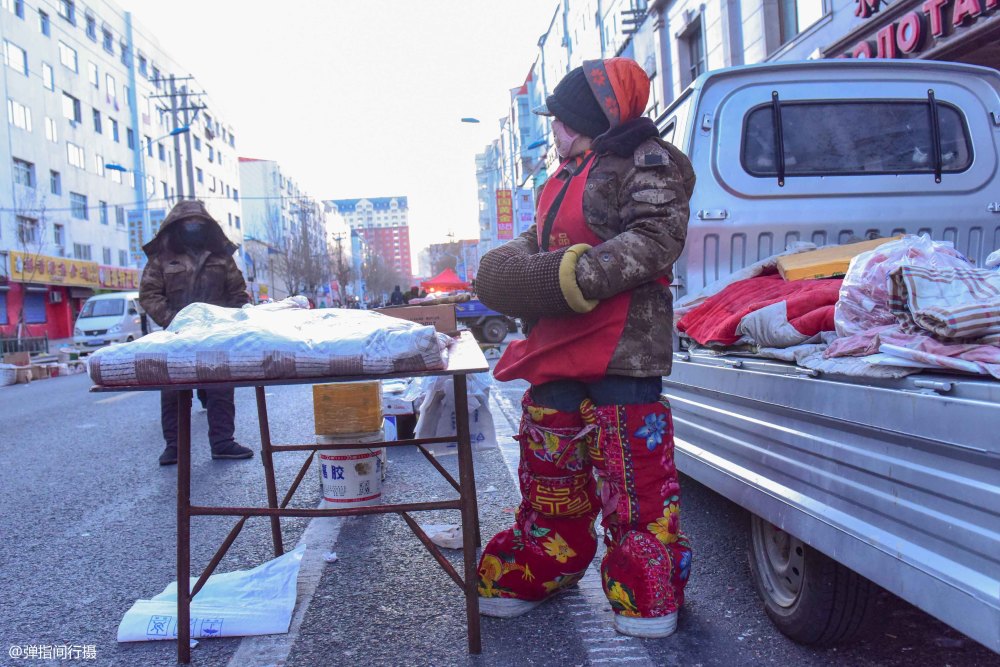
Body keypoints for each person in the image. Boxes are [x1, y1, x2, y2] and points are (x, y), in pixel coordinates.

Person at [474, 58, 696, 639]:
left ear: (583, 119)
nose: (553, 128)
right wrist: (507, 267)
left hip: (623, 340)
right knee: (551, 461)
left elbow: (656, 239)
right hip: (556, 342)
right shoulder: (567, 171)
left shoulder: (648, 162)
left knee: (634, 475)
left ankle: (644, 580)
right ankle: (549, 557)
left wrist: (570, 278)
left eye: (561, 118)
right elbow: (541, 239)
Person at [139, 200, 254, 466]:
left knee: (221, 388)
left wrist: (232, 321)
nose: (193, 227)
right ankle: (174, 447)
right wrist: (172, 320)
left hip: (215, 334)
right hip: (177, 334)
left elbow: (237, 293)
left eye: (198, 223)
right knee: (173, 391)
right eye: (187, 223)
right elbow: (149, 294)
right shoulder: (162, 259)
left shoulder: (221, 257)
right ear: (176, 226)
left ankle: (223, 443)